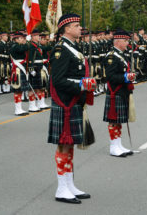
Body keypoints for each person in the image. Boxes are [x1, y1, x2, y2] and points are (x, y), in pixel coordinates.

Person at [48, 13, 96, 204]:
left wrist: (85, 84)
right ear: (66, 28)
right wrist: (82, 84)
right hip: (65, 102)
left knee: (70, 145)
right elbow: (58, 81)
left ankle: (69, 184)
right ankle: (61, 188)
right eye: (76, 25)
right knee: (63, 144)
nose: (80, 28)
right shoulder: (61, 49)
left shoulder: (74, 47)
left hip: (74, 101)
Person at [103, 29, 136, 157]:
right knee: (113, 120)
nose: (128, 43)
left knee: (119, 120)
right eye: (126, 40)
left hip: (122, 91)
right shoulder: (111, 56)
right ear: (117, 41)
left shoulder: (122, 54)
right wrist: (126, 77)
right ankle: (113, 146)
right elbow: (111, 77)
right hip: (115, 92)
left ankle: (118, 144)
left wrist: (130, 76)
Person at [10, 32, 29, 116]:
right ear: (16, 39)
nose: (22, 39)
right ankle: (17, 109)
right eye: (21, 38)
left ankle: (19, 108)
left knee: (20, 90)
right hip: (18, 69)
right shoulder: (15, 46)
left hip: (21, 69)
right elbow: (23, 49)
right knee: (17, 90)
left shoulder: (19, 45)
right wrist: (27, 42)